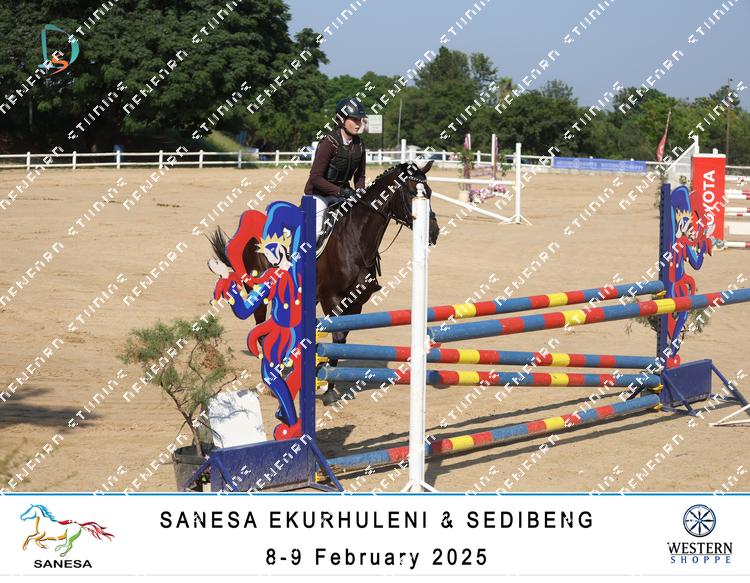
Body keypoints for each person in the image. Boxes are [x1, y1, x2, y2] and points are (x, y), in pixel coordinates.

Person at [304, 97, 367, 206]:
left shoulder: (360, 145)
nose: (358, 124)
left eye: (360, 120)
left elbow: (360, 176)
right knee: (319, 218)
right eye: (354, 119)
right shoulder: (329, 142)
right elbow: (315, 177)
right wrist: (341, 192)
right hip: (317, 195)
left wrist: (360, 191)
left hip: (342, 195)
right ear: (342, 119)